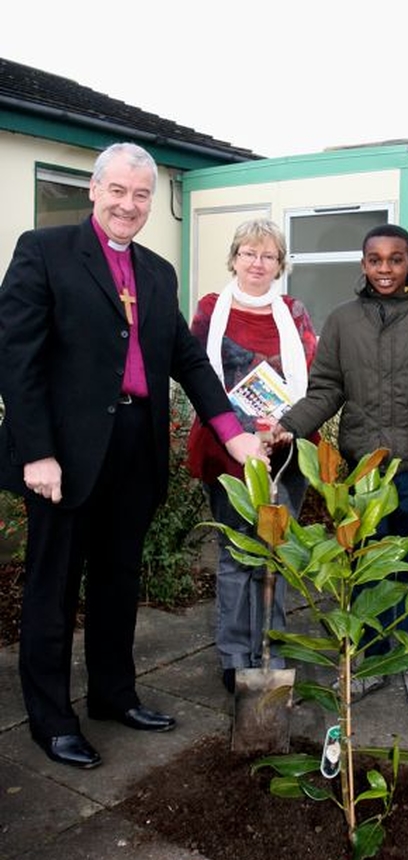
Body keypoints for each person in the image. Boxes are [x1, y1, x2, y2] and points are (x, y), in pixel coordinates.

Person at [0, 142, 268, 769]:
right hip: (63, 456)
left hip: (133, 448)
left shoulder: (155, 271)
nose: (129, 205)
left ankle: (113, 695)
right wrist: (37, 451)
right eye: (118, 191)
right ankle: (51, 717)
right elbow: (17, 358)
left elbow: (187, 359)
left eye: (141, 195)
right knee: (53, 589)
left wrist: (232, 432)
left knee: (120, 582)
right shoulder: (43, 252)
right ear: (94, 190)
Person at [272, 223, 408, 717]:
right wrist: (287, 427)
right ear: (363, 265)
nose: (385, 268)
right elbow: (325, 390)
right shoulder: (344, 321)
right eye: (375, 259)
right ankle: (364, 661)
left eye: (395, 259)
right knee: (361, 571)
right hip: (363, 479)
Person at [186, 219, 317, 693]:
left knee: (277, 555)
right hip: (227, 451)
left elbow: (313, 376)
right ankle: (234, 655)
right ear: (234, 257)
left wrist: (280, 431)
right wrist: (242, 435)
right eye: (248, 253)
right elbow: (195, 374)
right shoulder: (209, 311)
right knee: (235, 555)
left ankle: (272, 648)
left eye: (268, 256)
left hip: (285, 448)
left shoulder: (294, 312)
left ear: (280, 264)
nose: (257, 263)